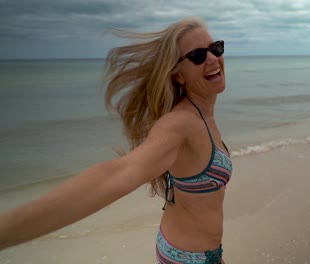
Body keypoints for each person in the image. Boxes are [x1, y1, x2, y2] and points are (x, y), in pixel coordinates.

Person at [0, 17, 232, 264]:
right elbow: (117, 174)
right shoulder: (180, 124)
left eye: (215, 48)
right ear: (178, 75)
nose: (212, 59)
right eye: (197, 55)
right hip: (189, 258)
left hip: (200, 252)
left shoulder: (202, 114)